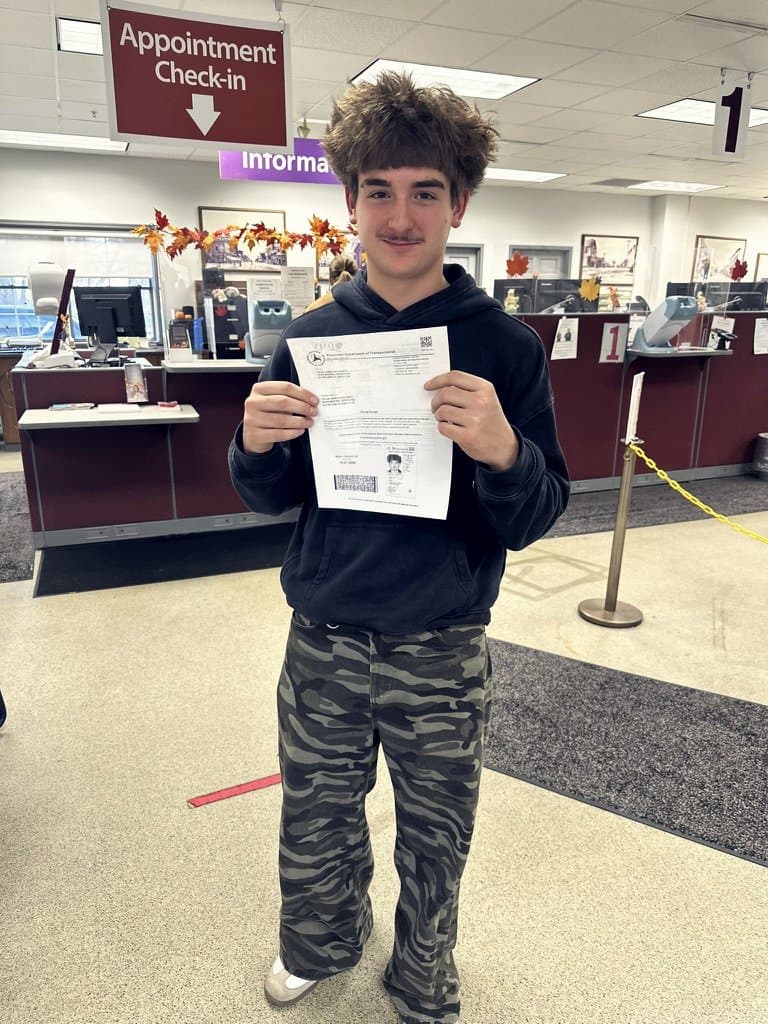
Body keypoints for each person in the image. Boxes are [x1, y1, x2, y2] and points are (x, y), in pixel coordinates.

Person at [228, 70, 569, 1024]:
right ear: (350, 202)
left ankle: (424, 972)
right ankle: (320, 942)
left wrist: (504, 451)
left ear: (459, 202)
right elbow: (269, 496)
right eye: (379, 190)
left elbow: (538, 512)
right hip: (326, 635)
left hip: (442, 642)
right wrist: (252, 444)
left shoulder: (504, 347)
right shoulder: (307, 341)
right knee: (316, 816)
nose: (401, 214)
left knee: (437, 831)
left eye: (426, 191)